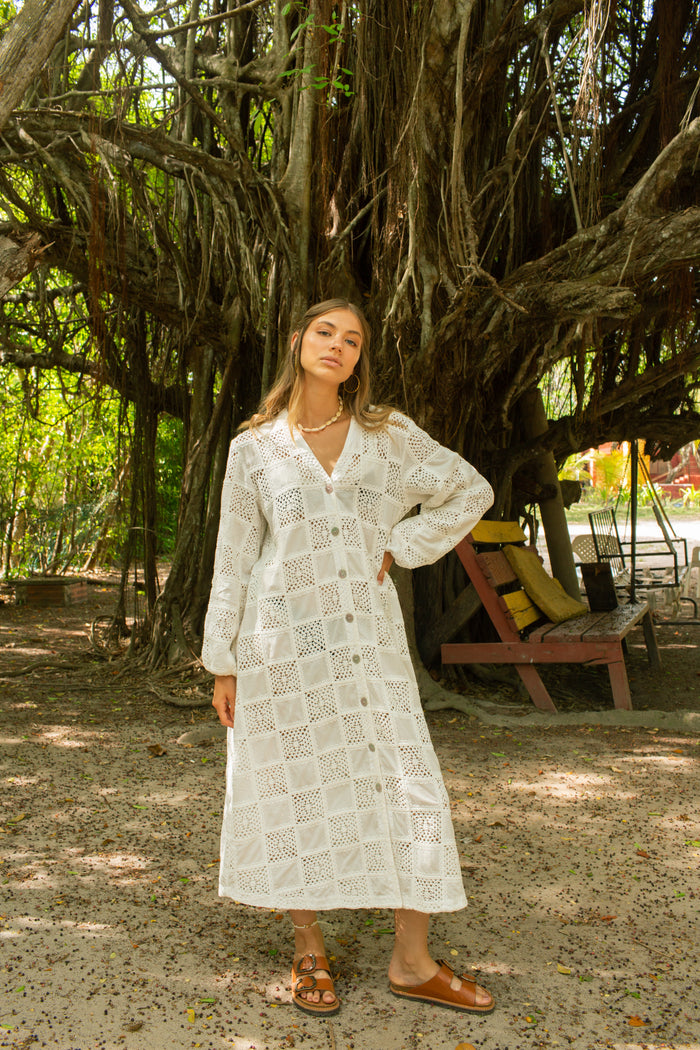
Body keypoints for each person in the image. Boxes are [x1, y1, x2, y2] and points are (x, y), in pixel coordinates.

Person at [202, 299, 495, 1017]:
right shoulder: (254, 448)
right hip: (281, 647)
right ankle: (308, 949)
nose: (337, 346)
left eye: (353, 340)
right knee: (293, 785)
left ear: (360, 359)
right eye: (325, 332)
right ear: (298, 341)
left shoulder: (387, 435)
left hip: (368, 645)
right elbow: (234, 559)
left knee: (411, 784)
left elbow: (470, 489)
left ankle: (412, 962)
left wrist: (402, 545)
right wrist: (223, 662)